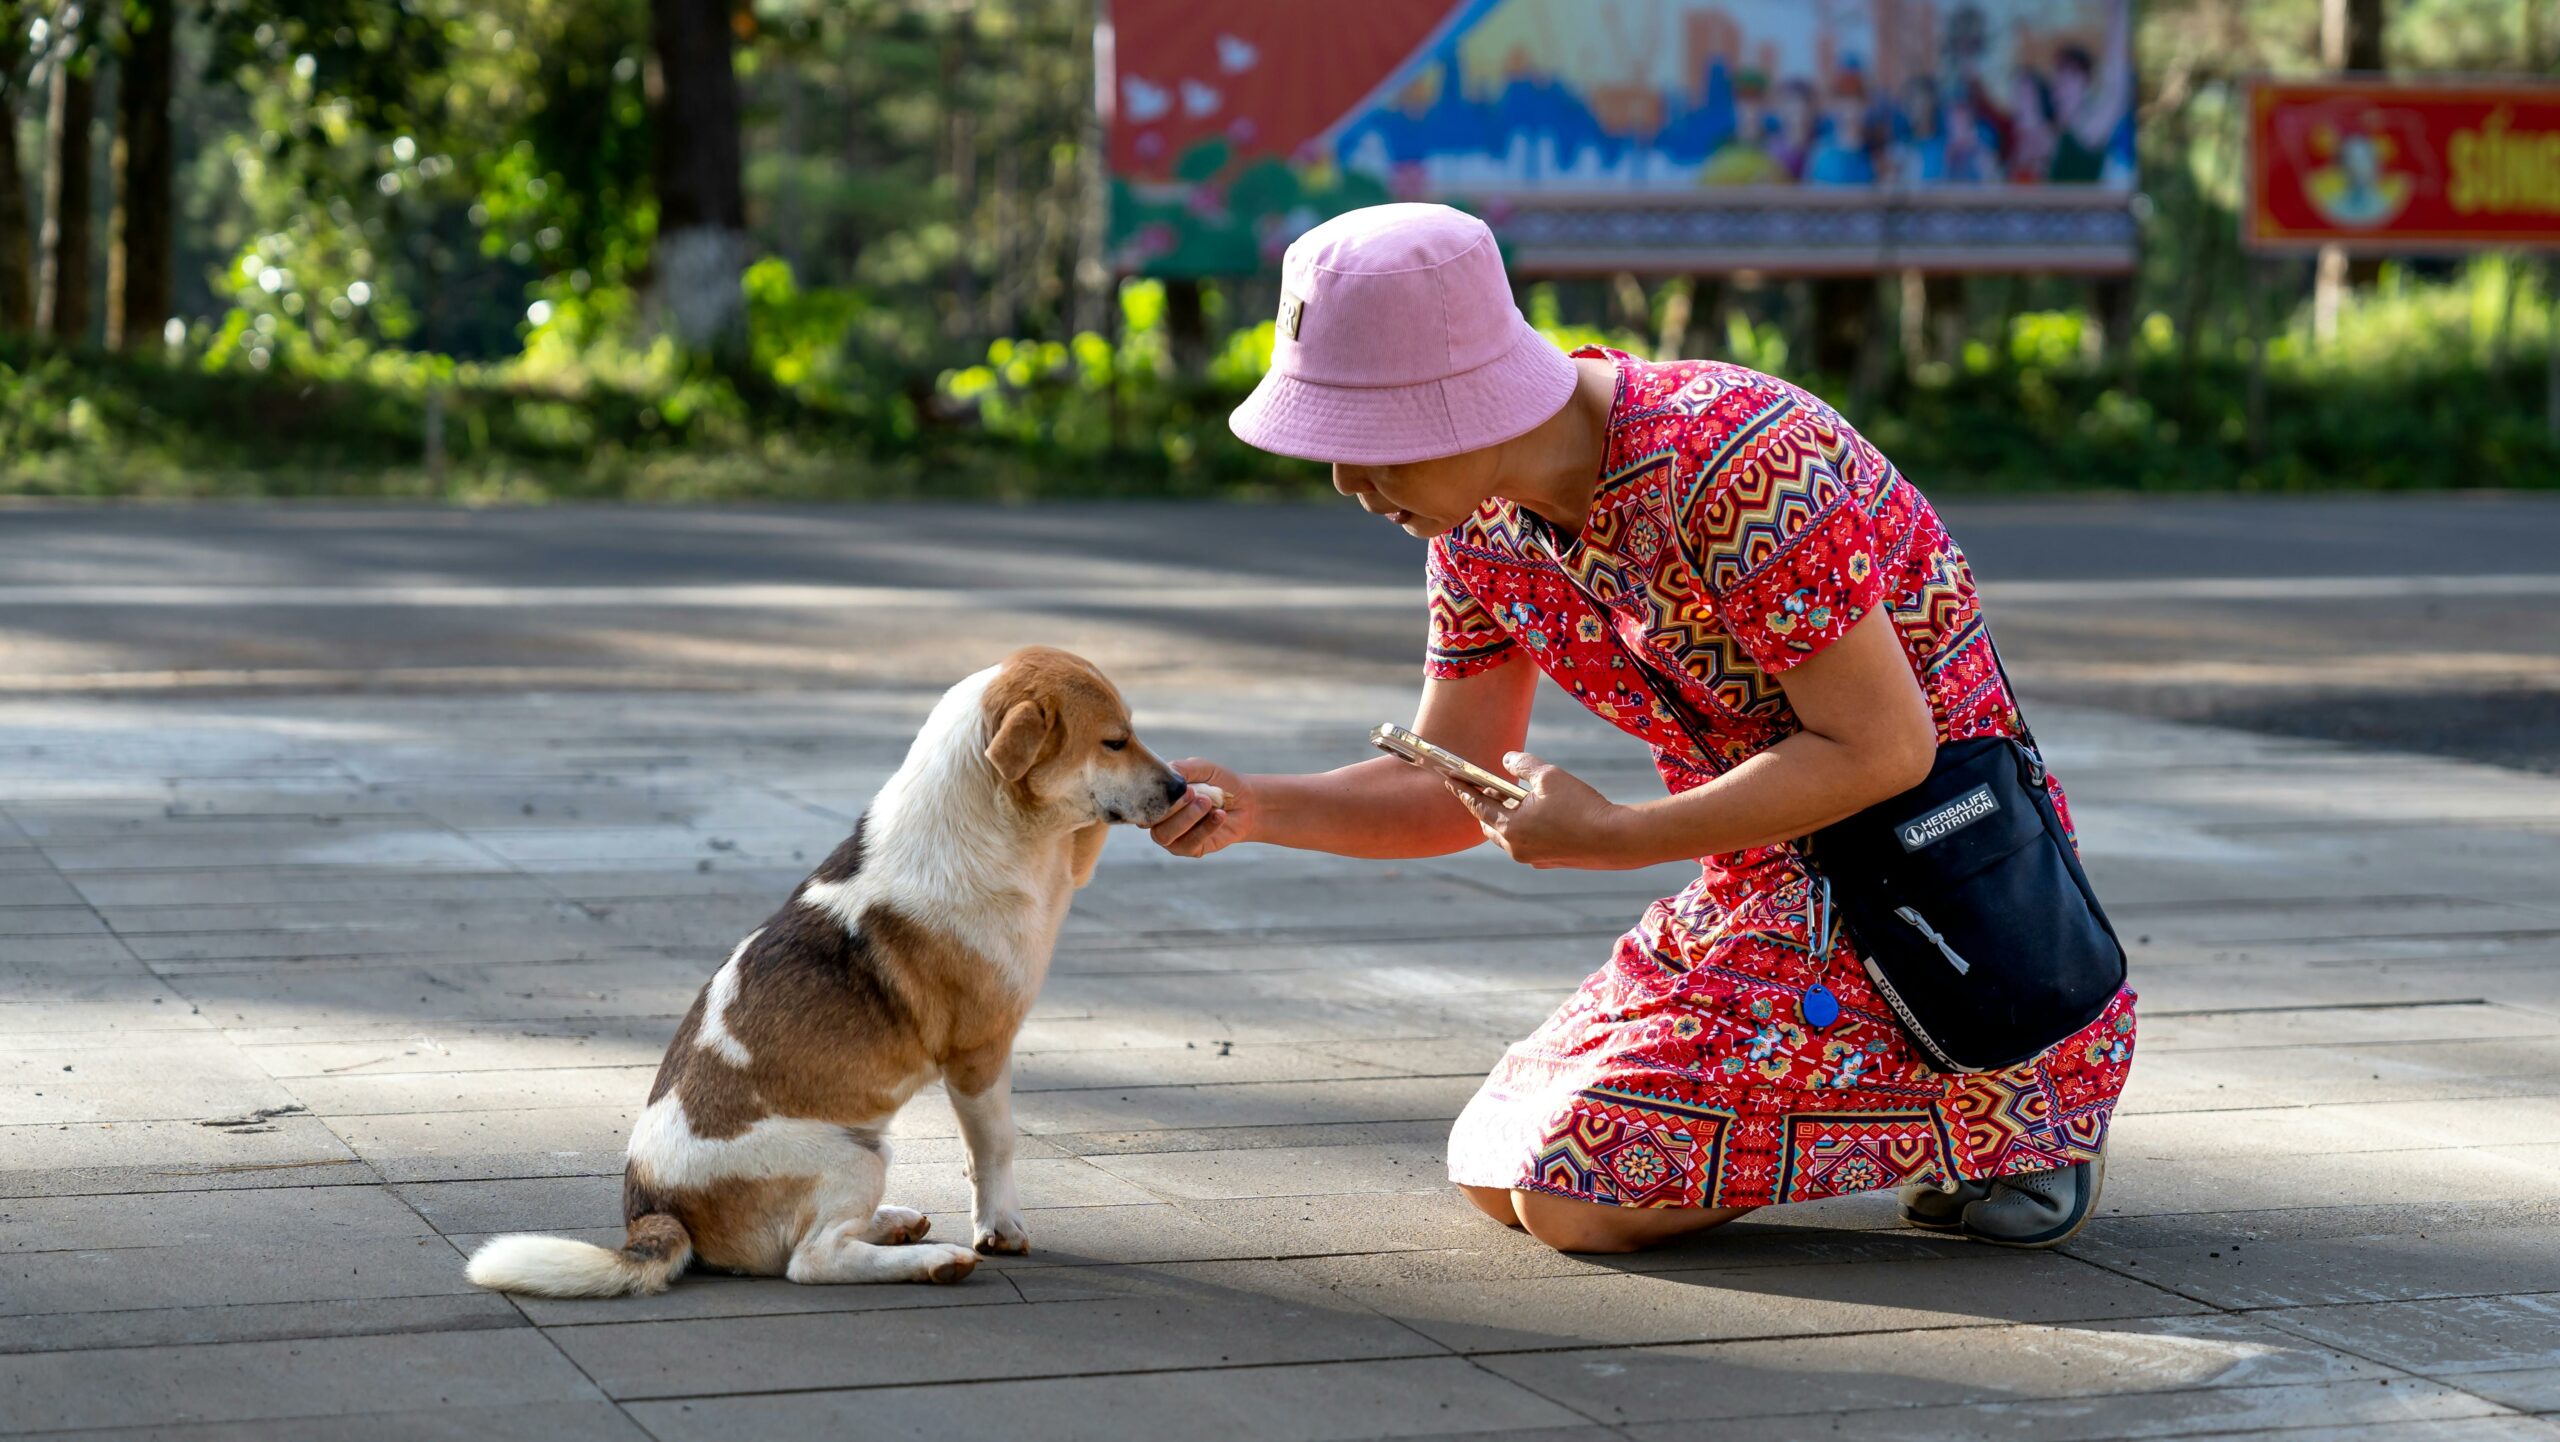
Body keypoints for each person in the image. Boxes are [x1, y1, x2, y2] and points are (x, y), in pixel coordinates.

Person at [1148, 204, 2135, 1254]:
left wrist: (1612, 833)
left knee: (1574, 1196)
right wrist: (1258, 807)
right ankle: (1949, 1113)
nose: (1346, 482)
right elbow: (1456, 777)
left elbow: (1885, 750)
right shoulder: (1477, 529)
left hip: (1934, 898)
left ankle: (2022, 1093)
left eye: (1366, 443)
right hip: (1763, 884)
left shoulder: (1739, 462)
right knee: (1496, 1160)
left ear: (1465, 402)